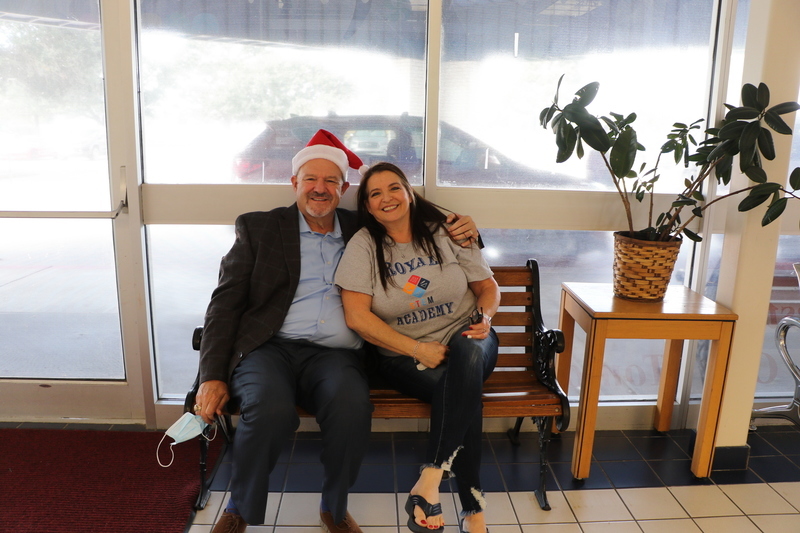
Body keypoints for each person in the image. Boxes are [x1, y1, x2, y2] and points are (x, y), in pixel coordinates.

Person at [193, 132, 480, 533]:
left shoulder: (362, 227)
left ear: (344, 189)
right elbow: (224, 305)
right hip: (270, 349)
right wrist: (211, 375)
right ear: (294, 183)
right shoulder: (260, 229)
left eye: (331, 181)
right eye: (310, 179)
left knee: (351, 408)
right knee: (269, 409)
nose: (320, 188)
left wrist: (467, 227)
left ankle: (334, 507)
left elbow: (415, 221)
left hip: (337, 355)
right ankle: (239, 508)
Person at [335, 162, 500, 533]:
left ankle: (430, 480)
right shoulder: (363, 246)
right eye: (375, 193)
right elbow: (357, 317)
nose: (387, 198)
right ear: (367, 206)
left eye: (394, 188)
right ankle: (474, 514)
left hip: (469, 336)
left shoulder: (445, 232)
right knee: (462, 395)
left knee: (468, 352)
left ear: (409, 192)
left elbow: (487, 287)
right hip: (404, 358)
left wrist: (486, 318)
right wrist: (416, 349)